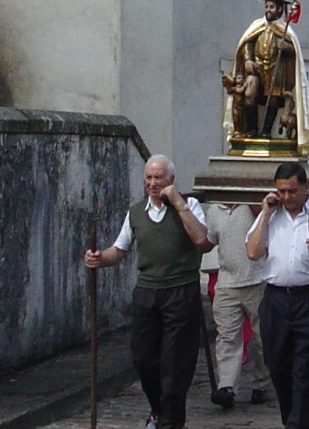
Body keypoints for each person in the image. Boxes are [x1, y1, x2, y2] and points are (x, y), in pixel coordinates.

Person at [84, 155, 208, 429]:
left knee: (175, 364)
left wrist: (178, 203)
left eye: (158, 177)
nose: (152, 183)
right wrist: (98, 259)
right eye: (148, 178)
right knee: (143, 358)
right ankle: (158, 410)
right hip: (147, 291)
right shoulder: (136, 212)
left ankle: (171, 422)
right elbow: (118, 250)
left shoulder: (190, 206)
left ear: (171, 180)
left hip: (181, 291)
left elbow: (202, 240)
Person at [246, 162, 309, 429]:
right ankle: (292, 419)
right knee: (277, 365)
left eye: (292, 191)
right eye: (281, 191)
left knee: (307, 369)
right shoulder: (271, 215)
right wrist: (266, 213)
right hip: (276, 300)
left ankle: (299, 425)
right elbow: (253, 252)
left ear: (305, 187)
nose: (287, 197)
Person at [223, 0, 309, 153]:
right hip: (257, 69)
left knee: (273, 98)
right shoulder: (256, 26)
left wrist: (286, 47)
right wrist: (247, 59)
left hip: (277, 69)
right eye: (267, 6)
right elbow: (247, 44)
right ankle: (252, 129)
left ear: (280, 9)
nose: (268, 9)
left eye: (272, 6)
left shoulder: (285, 30)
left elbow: (294, 52)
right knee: (249, 93)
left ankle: (266, 130)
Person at [200, 204, 270, 409]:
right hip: (227, 282)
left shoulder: (252, 206)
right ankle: (227, 387)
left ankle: (262, 384)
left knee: (263, 337)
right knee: (227, 336)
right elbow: (208, 241)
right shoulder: (213, 211)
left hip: (257, 280)